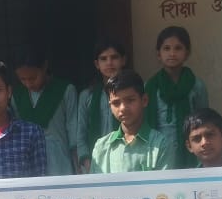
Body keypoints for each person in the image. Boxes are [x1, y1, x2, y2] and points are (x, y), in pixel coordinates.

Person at [144, 26, 209, 168]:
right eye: (166, 48)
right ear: (158, 54)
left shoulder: (196, 85)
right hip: (158, 150)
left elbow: (204, 122)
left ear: (187, 53)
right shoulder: (149, 87)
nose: (172, 53)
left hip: (189, 151)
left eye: (178, 48)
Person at [89, 70, 177, 173]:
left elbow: (163, 183)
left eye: (130, 100)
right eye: (116, 103)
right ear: (110, 106)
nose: (123, 108)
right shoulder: (101, 146)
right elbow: (95, 183)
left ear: (144, 100)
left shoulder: (161, 144)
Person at [11, 49, 78, 175]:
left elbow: (73, 128)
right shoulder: (17, 96)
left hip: (60, 162)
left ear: (44, 67)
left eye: (33, 78)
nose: (28, 84)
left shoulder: (65, 90)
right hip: (28, 163)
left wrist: (77, 163)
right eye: (23, 79)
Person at [77, 38, 128, 173]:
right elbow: (81, 133)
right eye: (103, 59)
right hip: (95, 162)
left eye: (114, 57)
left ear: (123, 60)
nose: (109, 62)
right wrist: (87, 161)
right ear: (97, 64)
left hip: (127, 158)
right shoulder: (87, 96)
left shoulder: (133, 93)